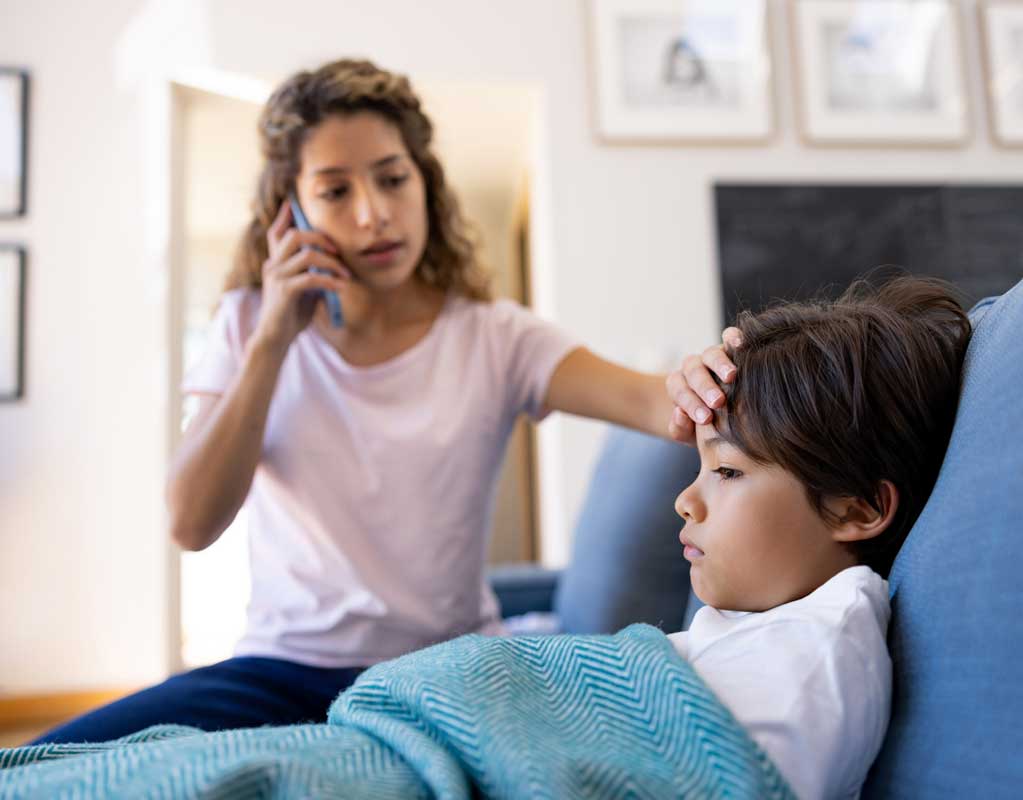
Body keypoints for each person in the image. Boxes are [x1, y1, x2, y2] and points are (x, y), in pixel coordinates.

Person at [32, 59, 676, 745]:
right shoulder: (248, 323)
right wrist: (274, 338)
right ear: (294, 210)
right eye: (335, 191)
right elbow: (190, 522)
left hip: (445, 671)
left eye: (393, 179)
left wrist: (745, 371)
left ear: (424, 182)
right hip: (278, 670)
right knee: (47, 761)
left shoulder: (497, 336)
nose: (373, 213)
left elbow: (656, 404)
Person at [664, 275, 971, 798]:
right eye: (701, 466)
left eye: (727, 472)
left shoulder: (816, 655)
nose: (684, 501)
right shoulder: (768, 621)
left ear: (856, 509)